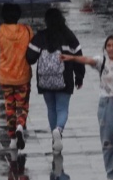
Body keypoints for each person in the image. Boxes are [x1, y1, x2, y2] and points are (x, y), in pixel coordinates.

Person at [62, 35, 113, 180]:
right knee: (107, 142)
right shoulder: (102, 61)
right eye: (109, 45)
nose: (111, 48)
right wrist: (72, 58)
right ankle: (110, 174)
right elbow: (87, 60)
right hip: (106, 104)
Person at [26, 8, 85, 153]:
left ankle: (54, 137)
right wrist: (79, 76)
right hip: (64, 79)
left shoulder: (41, 36)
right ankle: (59, 130)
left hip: (45, 80)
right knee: (62, 108)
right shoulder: (69, 36)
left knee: (51, 108)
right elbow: (78, 57)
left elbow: (30, 58)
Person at [0, 3, 34, 150]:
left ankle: (12, 137)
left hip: (5, 76)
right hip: (23, 75)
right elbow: (32, 50)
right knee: (22, 104)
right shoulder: (26, 30)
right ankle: (20, 125)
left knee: (9, 105)